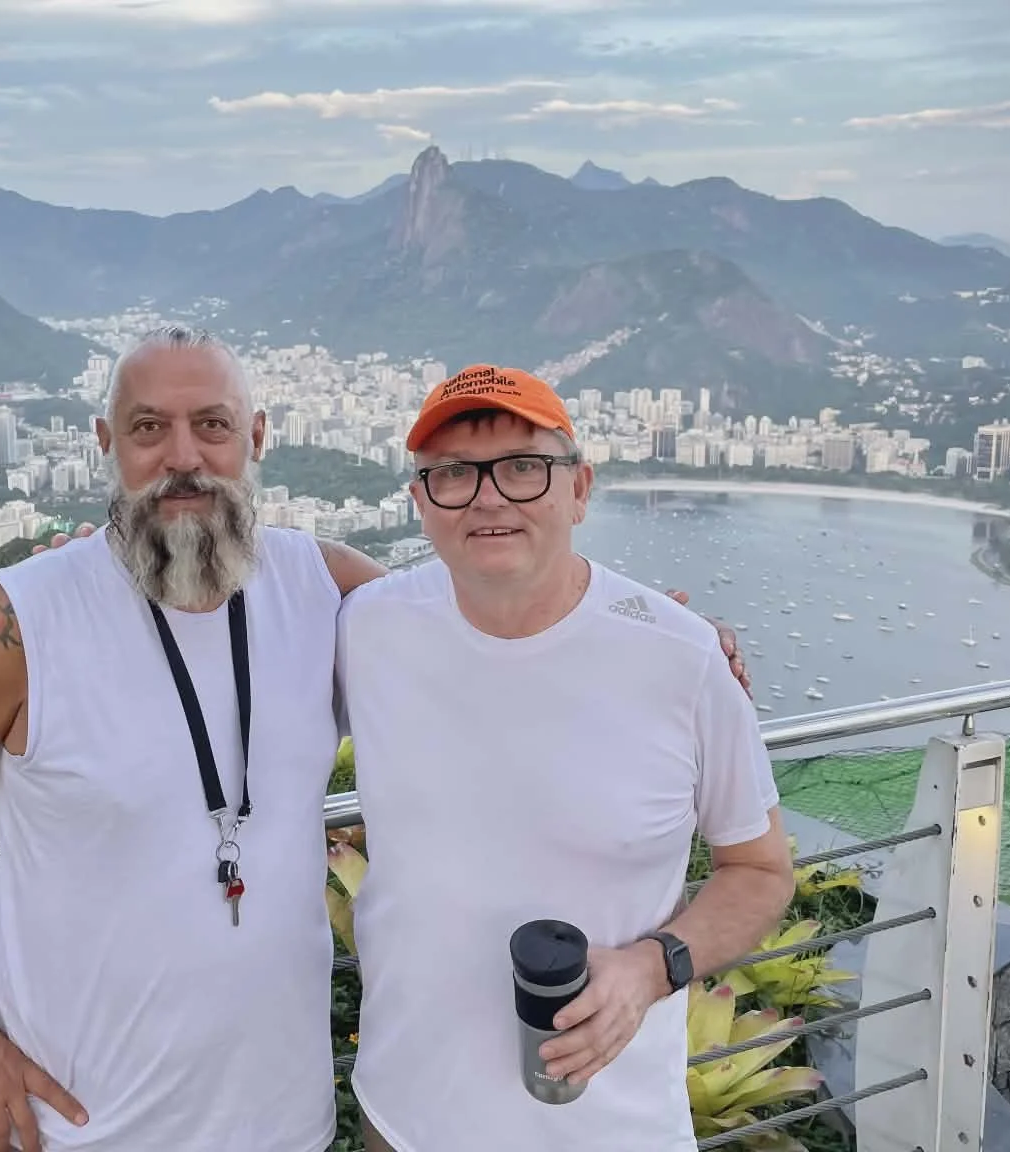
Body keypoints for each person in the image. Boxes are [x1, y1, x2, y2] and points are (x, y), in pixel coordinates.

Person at [0, 328, 751, 1152]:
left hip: (287, 1120)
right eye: (149, 429)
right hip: (85, 1125)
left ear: (256, 439)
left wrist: (655, 635)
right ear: (106, 446)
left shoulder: (329, 590)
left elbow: (486, 632)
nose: (185, 455)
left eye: (213, 425)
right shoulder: (24, 624)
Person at [334, 364, 797, 1152]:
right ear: (421, 502)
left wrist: (653, 968)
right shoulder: (367, 627)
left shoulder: (682, 660)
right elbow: (238, 564)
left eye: (523, 468)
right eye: (452, 474)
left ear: (579, 489)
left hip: (612, 1130)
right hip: (404, 1119)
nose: (488, 497)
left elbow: (759, 871)